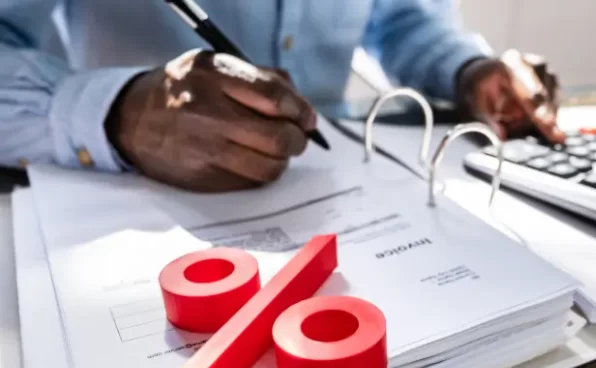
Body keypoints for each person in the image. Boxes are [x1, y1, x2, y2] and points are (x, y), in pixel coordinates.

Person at [0, 0, 564, 192]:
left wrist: (465, 69)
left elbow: (400, 19)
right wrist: (119, 110)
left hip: (340, 174)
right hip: (130, 187)